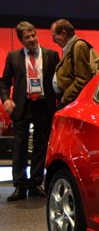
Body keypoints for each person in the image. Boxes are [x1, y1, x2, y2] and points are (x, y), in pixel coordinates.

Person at [0, 22, 60, 201]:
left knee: (41, 146)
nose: (32, 39)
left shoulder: (51, 55)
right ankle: (20, 186)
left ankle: (35, 184)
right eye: (27, 37)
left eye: (33, 35)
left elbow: (59, 82)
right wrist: (6, 99)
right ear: (20, 40)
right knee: (20, 147)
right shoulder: (13, 57)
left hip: (44, 105)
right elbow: (4, 83)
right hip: (22, 105)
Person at [51, 18, 96, 107]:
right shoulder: (71, 46)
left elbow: (82, 80)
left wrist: (65, 98)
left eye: (54, 35)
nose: (53, 40)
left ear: (63, 34)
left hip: (70, 101)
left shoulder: (78, 46)